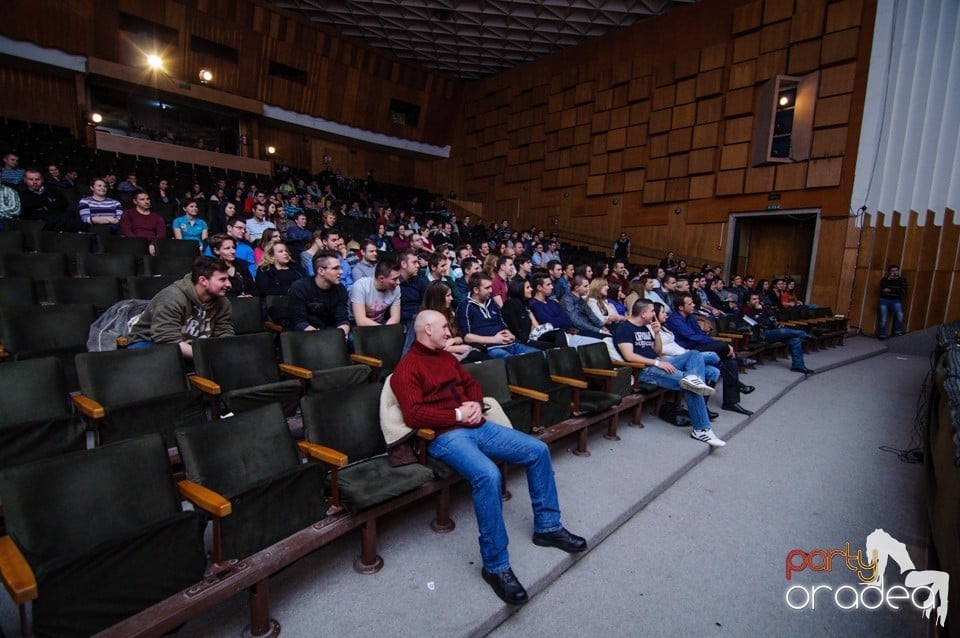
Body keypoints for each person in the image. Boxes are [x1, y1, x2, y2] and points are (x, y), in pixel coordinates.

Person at [391, 309, 586, 605]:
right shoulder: (407, 369)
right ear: (427, 329)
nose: (448, 333)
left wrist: (473, 402)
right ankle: (496, 567)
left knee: (537, 450)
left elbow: (470, 384)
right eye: (444, 327)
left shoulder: (446, 358)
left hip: (477, 425)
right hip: (446, 436)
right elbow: (413, 414)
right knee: (488, 474)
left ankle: (548, 527)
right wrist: (456, 413)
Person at [614, 300, 725, 447]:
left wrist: (657, 333)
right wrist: (657, 363)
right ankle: (701, 429)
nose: (655, 314)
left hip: (658, 363)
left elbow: (657, 351)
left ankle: (694, 378)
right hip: (644, 371)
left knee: (694, 354)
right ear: (643, 313)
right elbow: (629, 356)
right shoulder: (624, 329)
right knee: (691, 385)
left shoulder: (646, 329)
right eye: (653, 311)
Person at [127, 256, 234, 358]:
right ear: (203, 281)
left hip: (191, 345)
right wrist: (206, 357)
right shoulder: (172, 298)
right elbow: (166, 339)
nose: (229, 284)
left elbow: (224, 332)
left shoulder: (222, 302)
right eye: (222, 280)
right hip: (150, 343)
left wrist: (224, 352)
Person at [666, 294, 755, 416]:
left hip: (697, 346)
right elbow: (692, 337)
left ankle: (730, 402)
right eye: (690, 304)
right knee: (722, 346)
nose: (693, 305)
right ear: (681, 307)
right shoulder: (674, 319)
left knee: (731, 362)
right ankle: (740, 364)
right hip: (687, 351)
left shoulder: (690, 317)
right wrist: (719, 344)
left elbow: (701, 334)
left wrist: (716, 343)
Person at [456, 273, 540, 359]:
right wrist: (494, 339)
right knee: (514, 362)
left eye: (491, 287)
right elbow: (467, 337)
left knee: (540, 356)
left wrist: (510, 334)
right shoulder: (465, 307)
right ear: (476, 290)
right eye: (487, 288)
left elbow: (502, 323)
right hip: (491, 348)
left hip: (511, 344)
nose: (491, 291)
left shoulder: (492, 302)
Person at [740, 292, 813, 374]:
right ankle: (804, 334)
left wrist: (765, 318)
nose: (757, 301)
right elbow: (755, 323)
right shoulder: (744, 310)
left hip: (771, 331)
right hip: (760, 335)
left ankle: (798, 366)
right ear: (747, 301)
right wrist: (759, 311)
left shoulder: (762, 307)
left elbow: (770, 319)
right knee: (783, 331)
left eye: (758, 299)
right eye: (754, 299)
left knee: (795, 340)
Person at [287, 249, 350, 335]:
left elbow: (342, 320)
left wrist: (342, 335)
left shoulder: (340, 289)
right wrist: (322, 338)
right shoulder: (300, 288)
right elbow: (299, 322)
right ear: (321, 271)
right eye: (335, 268)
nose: (341, 272)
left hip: (332, 332)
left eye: (341, 268)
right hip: (305, 335)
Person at [419, 280, 483, 362]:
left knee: (479, 349)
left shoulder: (450, 313)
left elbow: (460, 337)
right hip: (439, 357)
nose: (451, 298)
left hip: (454, 348)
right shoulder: (425, 319)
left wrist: (453, 340)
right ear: (438, 298)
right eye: (448, 296)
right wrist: (455, 348)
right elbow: (429, 348)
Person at [350, 259, 401, 326]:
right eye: (394, 279)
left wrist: (385, 330)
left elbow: (395, 317)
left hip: (381, 324)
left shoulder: (396, 288)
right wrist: (382, 330)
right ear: (381, 279)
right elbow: (361, 321)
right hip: (355, 325)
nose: (398, 282)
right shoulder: (361, 286)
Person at [876, 265, 907, 339]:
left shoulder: (902, 280)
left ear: (898, 271)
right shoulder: (885, 279)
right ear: (889, 272)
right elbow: (883, 288)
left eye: (896, 270)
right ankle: (882, 335)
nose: (895, 272)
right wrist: (889, 279)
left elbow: (903, 291)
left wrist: (890, 289)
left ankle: (897, 332)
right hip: (884, 300)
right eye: (892, 271)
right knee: (883, 318)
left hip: (896, 300)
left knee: (900, 315)